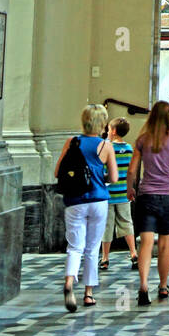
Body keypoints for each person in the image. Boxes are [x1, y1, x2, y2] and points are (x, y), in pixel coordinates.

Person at [127, 100, 169, 307]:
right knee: (165, 243)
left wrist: (130, 188)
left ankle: (143, 285)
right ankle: (164, 286)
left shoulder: (142, 140)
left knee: (146, 242)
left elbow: (132, 169)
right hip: (167, 196)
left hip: (146, 194)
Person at [56, 104, 118, 313]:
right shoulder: (105, 145)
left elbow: (58, 172)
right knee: (92, 249)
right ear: (102, 123)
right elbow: (115, 177)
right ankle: (88, 293)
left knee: (74, 247)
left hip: (74, 201)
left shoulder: (72, 142)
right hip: (98, 200)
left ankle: (69, 282)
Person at [99, 118, 137, 272]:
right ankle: (133, 253)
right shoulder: (129, 148)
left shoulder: (107, 147)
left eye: (108, 129)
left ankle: (105, 258)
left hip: (107, 194)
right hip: (123, 193)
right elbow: (131, 171)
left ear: (113, 132)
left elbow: (102, 169)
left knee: (106, 227)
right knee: (127, 223)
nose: (107, 132)